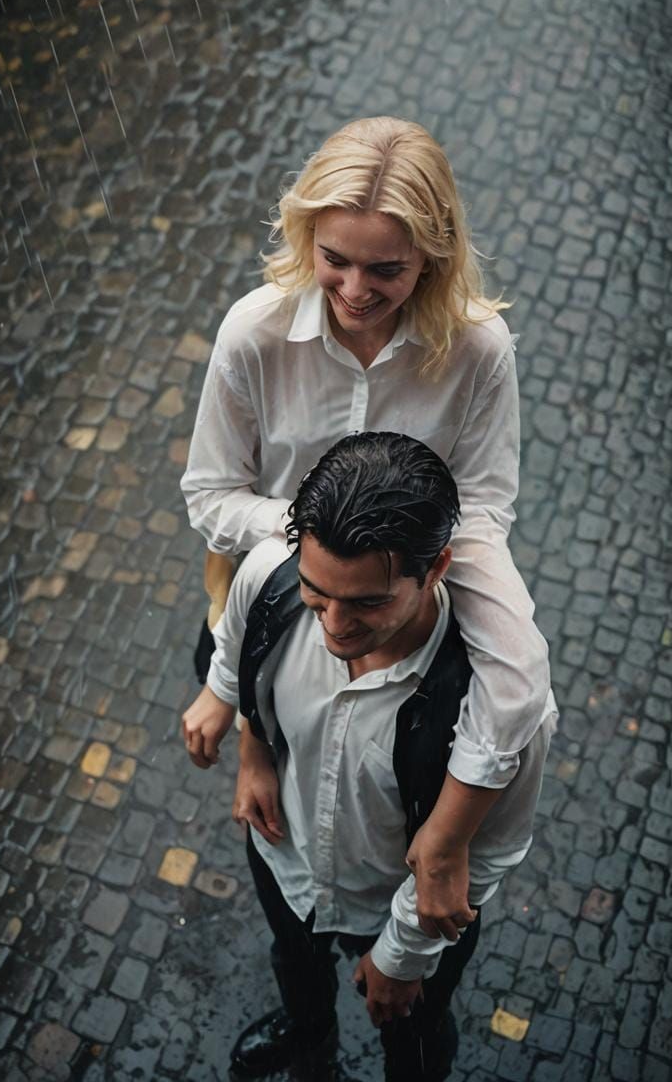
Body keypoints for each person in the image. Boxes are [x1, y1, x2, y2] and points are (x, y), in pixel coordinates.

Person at [180, 118, 553, 942]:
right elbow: (210, 495)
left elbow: (486, 505)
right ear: (306, 235)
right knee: (275, 744)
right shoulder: (254, 332)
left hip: (408, 594)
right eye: (334, 260)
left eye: (385, 269)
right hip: (271, 592)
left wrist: (450, 842)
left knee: (421, 756)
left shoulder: (479, 350)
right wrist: (319, 542)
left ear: (433, 256)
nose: (353, 290)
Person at [189, 428, 554, 1080]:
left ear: (436, 567)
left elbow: (491, 849)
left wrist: (402, 954)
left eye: (367, 602)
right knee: (293, 961)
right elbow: (240, 656)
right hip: (287, 858)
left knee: (414, 1035)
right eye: (316, 593)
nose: (333, 624)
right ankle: (308, 1033)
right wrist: (254, 755)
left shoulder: (494, 708)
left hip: (397, 905)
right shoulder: (266, 574)